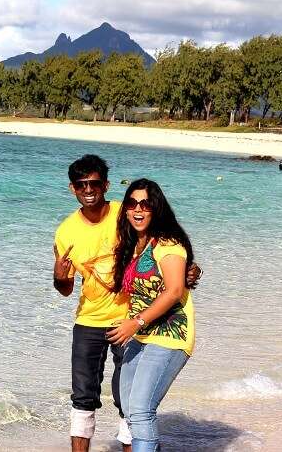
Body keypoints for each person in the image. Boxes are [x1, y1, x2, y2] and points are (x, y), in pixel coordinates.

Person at [54, 156, 200, 452]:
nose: (89, 189)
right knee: (82, 397)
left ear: (106, 185)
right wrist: (58, 278)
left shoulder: (126, 212)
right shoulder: (65, 231)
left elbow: (162, 247)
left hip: (131, 319)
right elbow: (66, 289)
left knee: (129, 401)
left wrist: (188, 270)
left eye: (95, 183)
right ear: (72, 189)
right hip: (89, 321)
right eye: (81, 185)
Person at [106, 179, 195, 452]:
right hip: (140, 336)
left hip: (170, 335)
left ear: (156, 208)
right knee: (130, 409)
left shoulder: (168, 243)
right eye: (132, 204)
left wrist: (136, 322)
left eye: (145, 204)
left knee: (142, 409)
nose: (138, 210)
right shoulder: (135, 245)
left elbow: (174, 290)